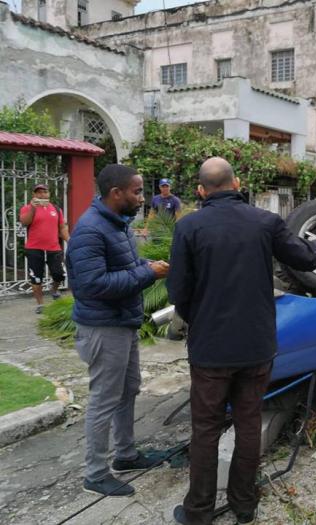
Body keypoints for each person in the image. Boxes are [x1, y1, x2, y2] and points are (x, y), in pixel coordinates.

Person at [167, 157, 316, 525]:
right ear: (237, 183)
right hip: (256, 347)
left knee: (205, 429)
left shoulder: (189, 227)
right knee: (248, 423)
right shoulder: (265, 222)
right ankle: (244, 506)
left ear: (200, 191)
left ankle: (198, 512)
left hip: (210, 350)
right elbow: (304, 259)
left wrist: (201, 322)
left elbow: (179, 291)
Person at [66, 164, 169, 497]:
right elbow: (93, 285)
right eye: (137, 192)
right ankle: (95, 474)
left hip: (122, 322)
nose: (142, 197)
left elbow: (126, 266)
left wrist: (150, 267)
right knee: (104, 399)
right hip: (102, 327)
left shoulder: (118, 224)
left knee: (129, 389)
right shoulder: (90, 231)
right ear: (116, 193)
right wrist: (147, 276)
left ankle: (125, 455)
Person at [19, 184, 70, 313]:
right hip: (34, 249)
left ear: (49, 194)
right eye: (39, 192)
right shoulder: (27, 208)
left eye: (44, 192)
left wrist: (70, 240)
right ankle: (40, 304)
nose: (42, 195)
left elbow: (62, 228)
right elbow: (24, 222)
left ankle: (54, 290)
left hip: (54, 248)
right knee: (36, 278)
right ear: (34, 195)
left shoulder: (56, 209)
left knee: (60, 274)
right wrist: (32, 208)